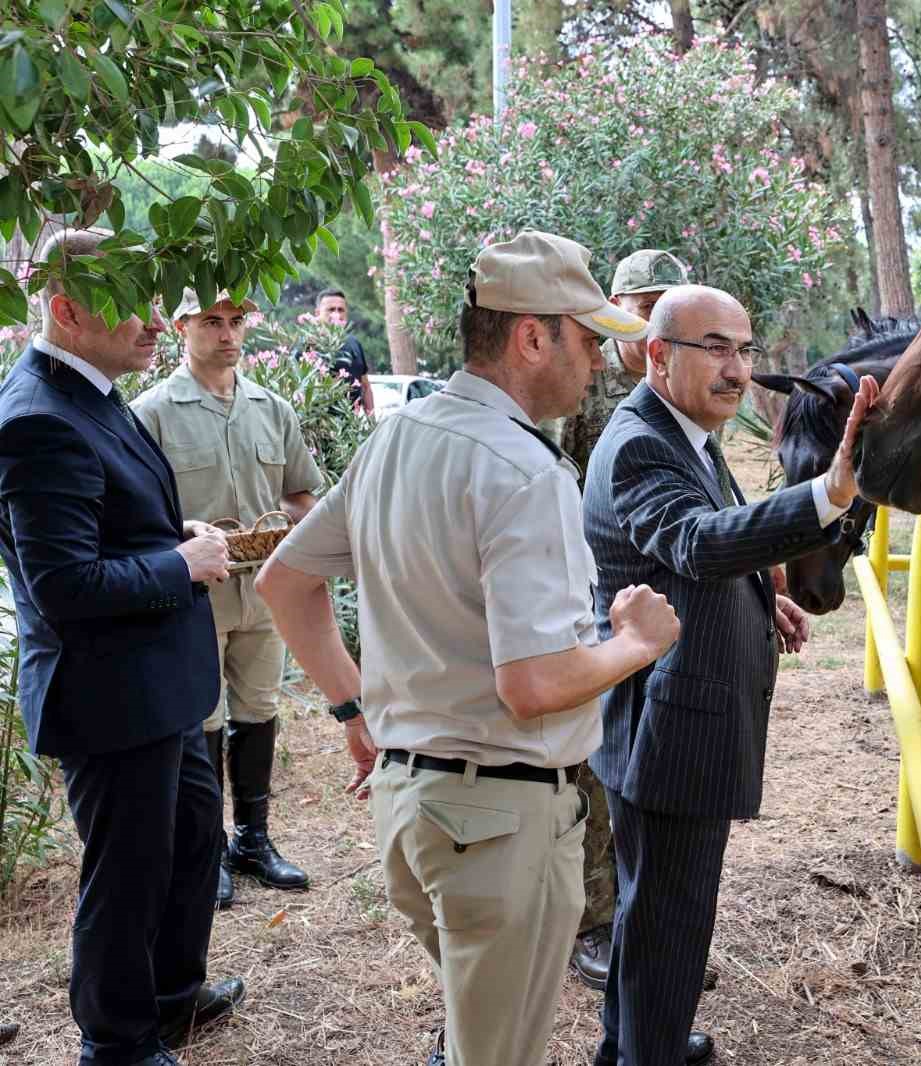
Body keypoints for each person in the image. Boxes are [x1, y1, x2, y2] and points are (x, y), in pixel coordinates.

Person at [255, 230, 681, 1066]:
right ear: (532, 337)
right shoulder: (523, 471)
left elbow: (283, 583)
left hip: (414, 816)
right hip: (502, 821)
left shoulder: (395, 439)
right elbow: (534, 684)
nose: (597, 362)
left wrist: (353, 706)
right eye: (588, 339)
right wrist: (637, 643)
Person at [583, 284, 878, 1066]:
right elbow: (697, 543)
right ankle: (649, 1052)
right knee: (670, 924)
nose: (738, 369)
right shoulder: (643, 442)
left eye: (745, 350)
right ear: (657, 353)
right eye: (715, 347)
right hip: (669, 729)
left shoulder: (684, 433)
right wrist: (829, 493)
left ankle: (629, 1045)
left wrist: (761, 599)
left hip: (670, 717)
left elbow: (703, 558)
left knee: (650, 916)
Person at [0, 230, 245, 1066]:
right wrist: (180, 563)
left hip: (159, 684)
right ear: (65, 310)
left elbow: (110, 524)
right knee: (128, 875)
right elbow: (63, 587)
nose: (152, 319)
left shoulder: (92, 393)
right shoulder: (38, 419)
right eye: (130, 302)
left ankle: (172, 997)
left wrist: (173, 537)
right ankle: (116, 1041)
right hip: (109, 695)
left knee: (187, 848)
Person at [133, 291, 324, 910]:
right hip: (196, 595)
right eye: (212, 321)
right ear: (183, 326)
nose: (227, 334)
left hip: (262, 589)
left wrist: (300, 534)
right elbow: (139, 517)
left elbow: (300, 494)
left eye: (236, 321)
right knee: (205, 719)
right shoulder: (152, 413)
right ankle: (207, 849)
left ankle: (254, 840)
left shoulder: (272, 408)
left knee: (259, 710)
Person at [562, 248, 689, 994]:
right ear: (615, 308)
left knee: (642, 759)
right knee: (594, 770)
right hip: (588, 600)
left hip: (654, 605)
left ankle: (640, 923)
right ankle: (594, 925)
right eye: (645, 305)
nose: (654, 319)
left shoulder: (669, 390)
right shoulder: (581, 388)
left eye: (667, 303)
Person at [312, 288, 374, 416]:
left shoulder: (354, 343)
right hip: (318, 427)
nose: (337, 315)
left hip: (350, 428)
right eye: (331, 310)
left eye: (341, 310)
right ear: (317, 313)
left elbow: (365, 387)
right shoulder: (308, 345)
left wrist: (372, 422)